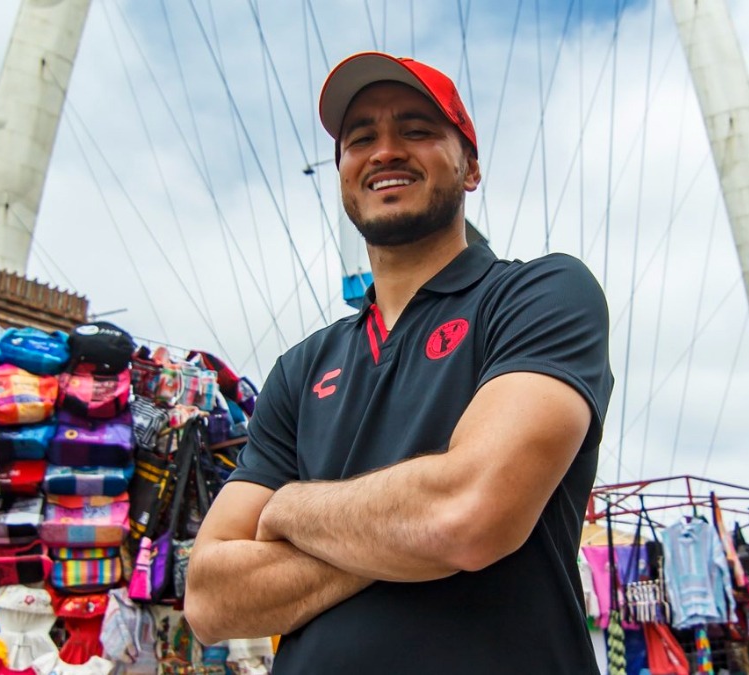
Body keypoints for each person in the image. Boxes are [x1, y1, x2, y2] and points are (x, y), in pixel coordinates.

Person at [185, 51, 614, 673]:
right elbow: (210, 598)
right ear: (343, 176)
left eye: (416, 130)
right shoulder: (300, 369)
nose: (385, 150)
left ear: (470, 168)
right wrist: (402, 532)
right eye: (361, 138)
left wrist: (288, 510)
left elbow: (467, 514)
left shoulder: (541, 294)